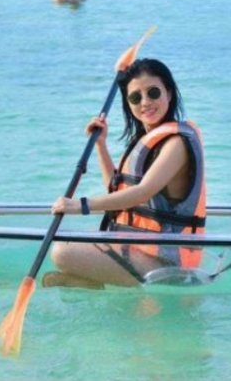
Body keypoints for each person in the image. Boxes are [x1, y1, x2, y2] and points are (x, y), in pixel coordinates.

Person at [46, 58, 207, 288]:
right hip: (140, 250)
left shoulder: (177, 144)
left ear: (168, 94)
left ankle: (91, 283)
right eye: (135, 97)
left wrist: (80, 205)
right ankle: (89, 284)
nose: (145, 102)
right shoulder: (147, 140)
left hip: (166, 263)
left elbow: (142, 192)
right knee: (74, 242)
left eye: (153, 92)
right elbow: (117, 190)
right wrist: (101, 145)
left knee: (62, 251)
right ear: (128, 103)